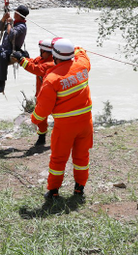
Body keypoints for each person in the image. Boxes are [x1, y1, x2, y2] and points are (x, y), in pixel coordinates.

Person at [30, 38, 92, 199]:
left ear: (54, 56)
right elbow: (82, 51)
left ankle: (53, 190)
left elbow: (43, 109)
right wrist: (76, 47)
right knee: (82, 156)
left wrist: (34, 119)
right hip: (86, 123)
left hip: (65, 127)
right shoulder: (83, 65)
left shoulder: (52, 79)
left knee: (58, 159)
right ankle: (80, 188)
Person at [12, 38, 55, 146]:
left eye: (41, 51)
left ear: (46, 52)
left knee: (56, 117)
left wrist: (21, 60)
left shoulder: (51, 63)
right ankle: (42, 137)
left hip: (51, 96)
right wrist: (26, 58)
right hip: (42, 95)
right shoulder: (42, 59)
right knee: (41, 118)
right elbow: (33, 63)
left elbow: (36, 69)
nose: (40, 53)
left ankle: (63, 136)